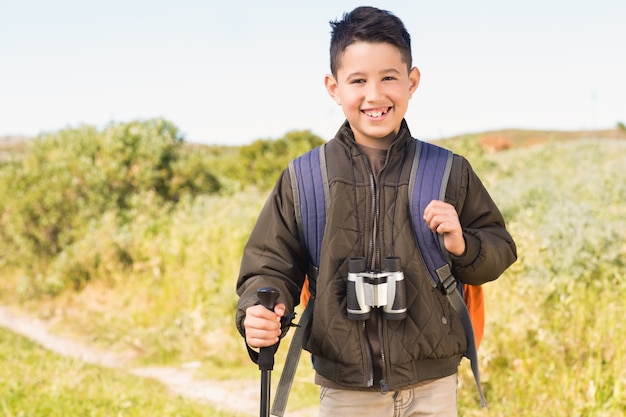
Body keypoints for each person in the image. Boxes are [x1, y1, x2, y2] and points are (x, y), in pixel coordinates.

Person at [236, 6, 517, 417]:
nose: (375, 94)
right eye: (358, 81)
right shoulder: (304, 178)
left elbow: (499, 248)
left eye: (389, 77)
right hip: (345, 390)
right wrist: (258, 314)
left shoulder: (448, 170)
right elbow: (269, 268)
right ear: (333, 87)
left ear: (412, 81)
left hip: (434, 385)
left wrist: (463, 245)